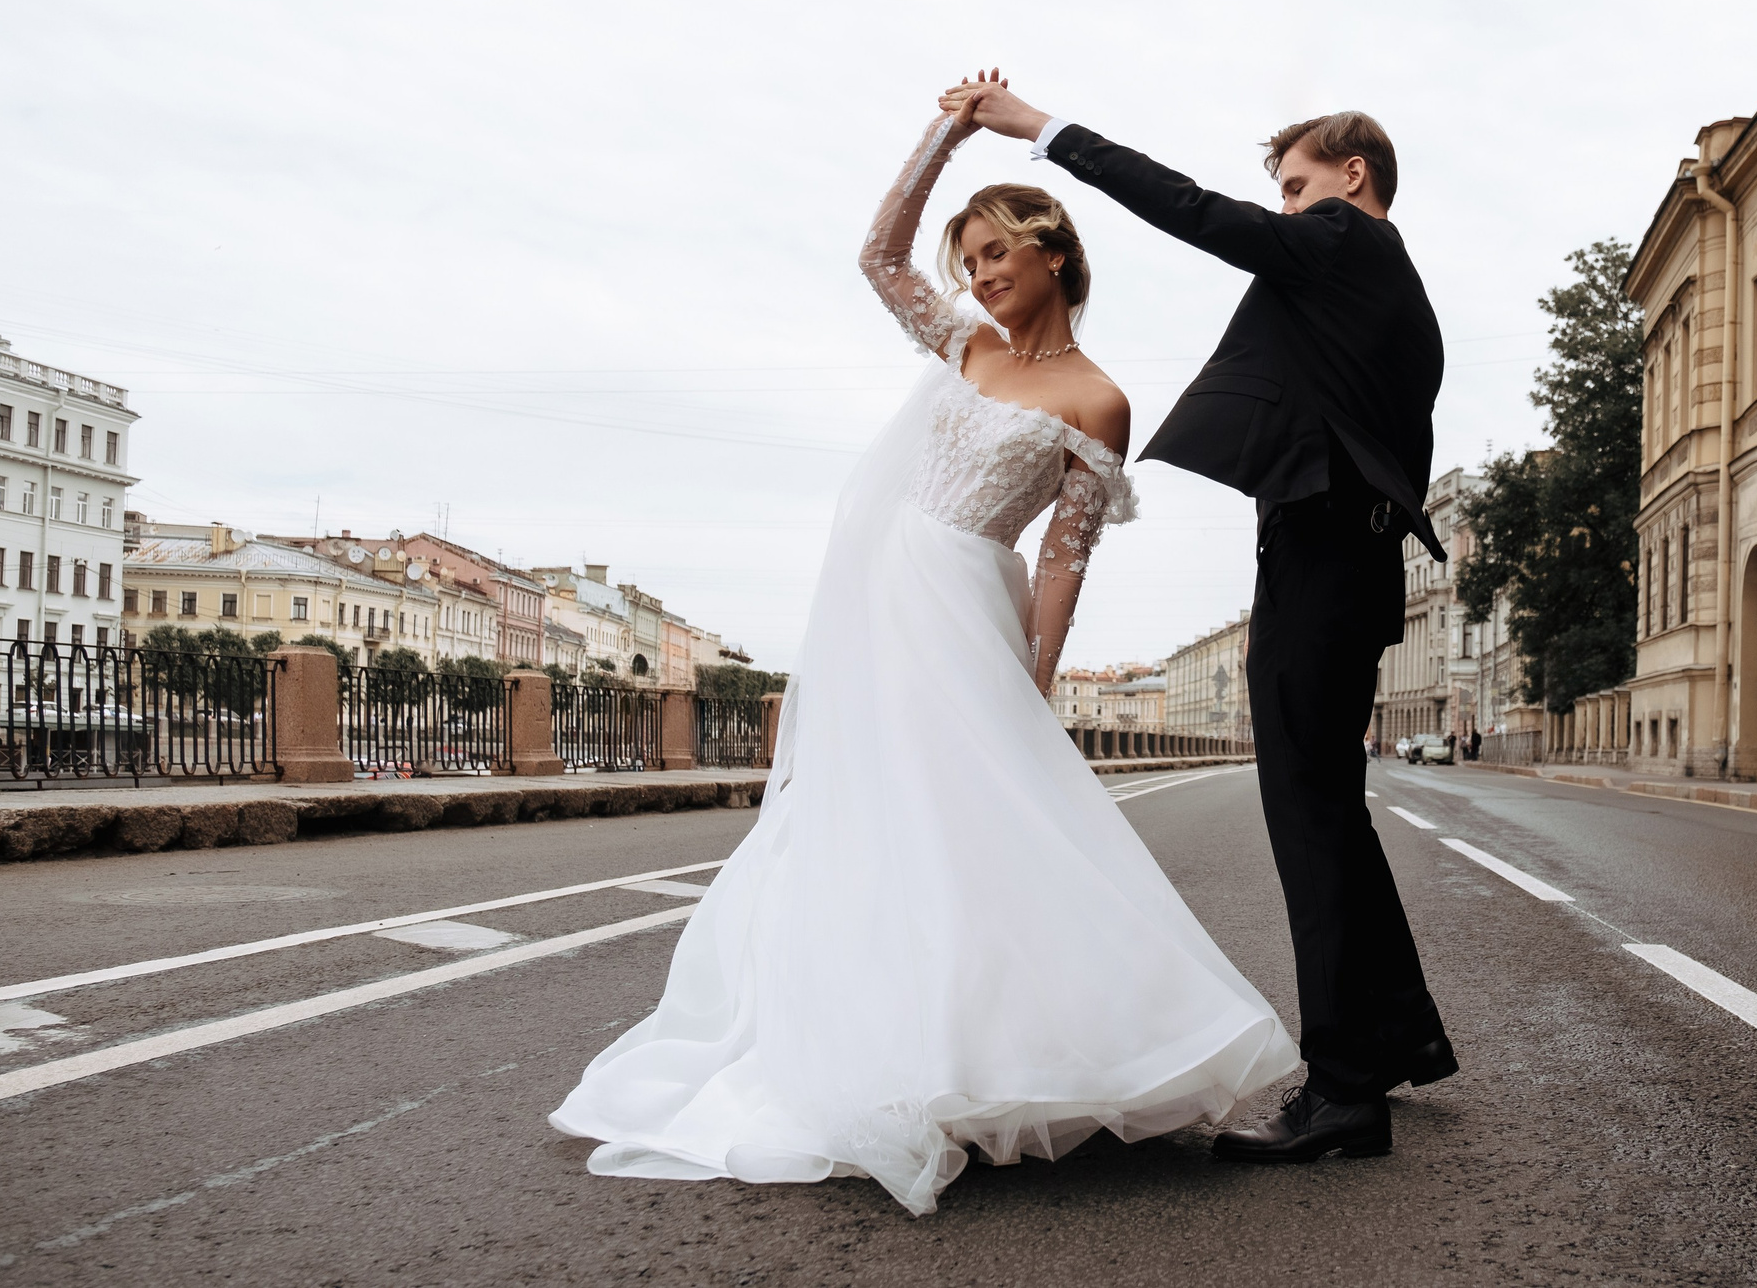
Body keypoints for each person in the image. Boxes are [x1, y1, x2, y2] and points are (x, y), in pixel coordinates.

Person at [549, 98, 1297, 1215]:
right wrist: (947, 141)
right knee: (864, 816)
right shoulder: (966, 344)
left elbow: (1061, 560)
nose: (980, 274)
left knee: (978, 821)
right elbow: (875, 254)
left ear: (1055, 252)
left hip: (962, 601)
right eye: (969, 258)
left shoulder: (1097, 400)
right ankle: (872, 1038)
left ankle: (1012, 1055)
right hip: (874, 599)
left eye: (998, 252)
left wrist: (1035, 681)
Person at [942, 73, 1455, 1166]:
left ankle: (1342, 1095)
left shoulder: (1343, 243)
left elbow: (1190, 211)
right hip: (1350, 560)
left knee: (1309, 822)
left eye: (1297, 183)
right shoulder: (1397, 297)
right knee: (1335, 813)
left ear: (1350, 177)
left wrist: (1041, 131)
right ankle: (1393, 1038)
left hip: (1320, 558)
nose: (1283, 207)